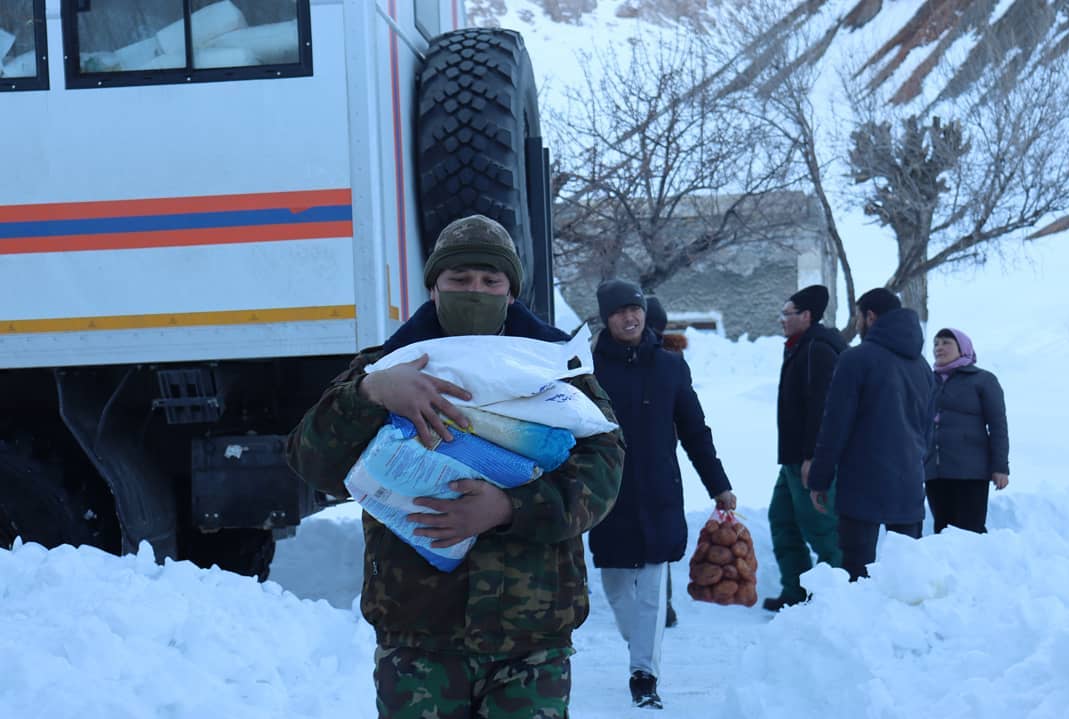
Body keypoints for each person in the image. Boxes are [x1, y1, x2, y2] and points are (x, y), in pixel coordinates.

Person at [285, 215, 625, 719]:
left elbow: (604, 470)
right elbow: (310, 460)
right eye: (459, 280)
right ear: (433, 287)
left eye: (491, 281)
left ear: (512, 293)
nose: (476, 292)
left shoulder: (556, 368)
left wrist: (509, 507)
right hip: (419, 636)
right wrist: (371, 394)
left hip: (529, 637)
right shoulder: (386, 366)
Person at [589, 279, 737, 710]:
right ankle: (641, 646)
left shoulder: (670, 366)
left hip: (658, 491)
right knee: (616, 585)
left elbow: (695, 431)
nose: (629, 317)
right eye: (618, 312)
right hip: (609, 492)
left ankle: (644, 674)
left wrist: (719, 484)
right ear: (607, 318)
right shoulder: (589, 368)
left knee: (653, 586)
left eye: (634, 308)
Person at [807, 288, 935, 581]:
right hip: (909, 483)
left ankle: (858, 628)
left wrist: (819, 479)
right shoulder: (922, 366)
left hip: (863, 484)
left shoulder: (856, 359)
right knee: (905, 577)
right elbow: (928, 428)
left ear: (871, 316)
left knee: (857, 574)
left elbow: (835, 424)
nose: (857, 322)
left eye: (858, 315)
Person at [763, 285, 847, 612]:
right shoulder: (801, 347)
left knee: (822, 528)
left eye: (788, 314)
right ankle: (796, 591)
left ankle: (836, 597)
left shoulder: (819, 350)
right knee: (781, 518)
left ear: (807, 316)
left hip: (810, 460)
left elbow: (823, 407)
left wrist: (815, 458)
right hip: (792, 458)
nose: (782, 320)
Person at [925, 327, 1010, 534]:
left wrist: (1000, 467)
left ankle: (978, 567)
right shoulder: (928, 380)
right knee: (942, 532)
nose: (939, 348)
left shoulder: (983, 380)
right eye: (936, 343)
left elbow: (998, 425)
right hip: (934, 472)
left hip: (970, 472)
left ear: (962, 348)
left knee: (970, 532)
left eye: (946, 343)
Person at [644, 295, 682, 629]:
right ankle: (662, 604)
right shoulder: (672, 356)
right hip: (663, 456)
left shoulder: (665, 360)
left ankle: (658, 603)